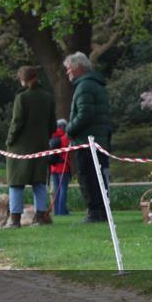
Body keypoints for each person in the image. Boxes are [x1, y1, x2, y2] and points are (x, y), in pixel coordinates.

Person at [4, 65, 56, 228]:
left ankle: (15, 220)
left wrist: (9, 140)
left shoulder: (22, 98)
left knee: (16, 183)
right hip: (41, 145)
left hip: (20, 147)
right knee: (39, 182)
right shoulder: (48, 97)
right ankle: (40, 217)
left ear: (23, 80)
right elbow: (53, 126)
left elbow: (17, 122)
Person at [63, 52, 112, 223]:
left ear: (79, 68)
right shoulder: (96, 85)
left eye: (69, 69)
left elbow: (85, 114)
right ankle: (101, 211)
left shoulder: (84, 87)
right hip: (100, 140)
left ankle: (94, 212)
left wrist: (69, 128)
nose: (67, 73)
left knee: (88, 177)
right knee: (99, 177)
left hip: (86, 141)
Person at [49, 119, 72, 216]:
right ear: (63, 126)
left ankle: (56, 211)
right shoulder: (65, 137)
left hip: (53, 167)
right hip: (63, 167)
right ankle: (62, 211)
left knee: (56, 190)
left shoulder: (51, 136)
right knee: (63, 189)